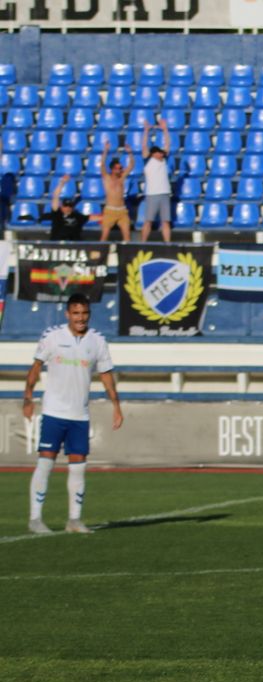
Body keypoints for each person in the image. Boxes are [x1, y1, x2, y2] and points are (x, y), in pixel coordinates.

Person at [22, 292, 123, 535]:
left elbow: (106, 375)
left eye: (84, 313)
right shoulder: (53, 337)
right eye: (76, 313)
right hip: (54, 412)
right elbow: (35, 368)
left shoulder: (97, 341)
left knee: (78, 467)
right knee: (46, 461)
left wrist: (116, 406)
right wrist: (27, 398)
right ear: (68, 314)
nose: (80, 318)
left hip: (80, 415)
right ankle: (35, 519)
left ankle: (74, 520)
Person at [139, 118, 172, 242]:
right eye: (158, 152)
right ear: (153, 154)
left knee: (166, 221)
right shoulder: (148, 160)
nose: (161, 154)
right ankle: (143, 243)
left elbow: (167, 145)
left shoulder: (164, 160)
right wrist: (146, 131)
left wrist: (165, 130)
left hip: (164, 193)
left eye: (161, 152)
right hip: (152, 194)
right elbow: (144, 146)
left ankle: (168, 243)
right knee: (148, 221)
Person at [98, 139, 133, 242]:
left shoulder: (122, 178)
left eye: (121, 168)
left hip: (122, 210)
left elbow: (131, 166)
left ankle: (128, 256)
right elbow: (102, 165)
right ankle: (100, 255)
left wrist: (130, 153)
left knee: (127, 236)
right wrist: (105, 151)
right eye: (118, 168)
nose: (121, 170)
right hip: (110, 210)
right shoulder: (107, 178)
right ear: (113, 169)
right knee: (104, 236)